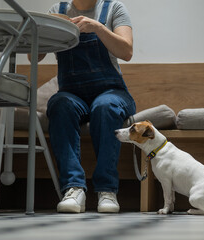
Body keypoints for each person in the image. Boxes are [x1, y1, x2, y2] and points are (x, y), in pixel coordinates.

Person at [34, 0, 136, 213]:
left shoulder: (113, 8)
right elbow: (34, 55)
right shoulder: (56, 12)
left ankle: (107, 190)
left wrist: (98, 27)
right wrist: (43, 32)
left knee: (105, 107)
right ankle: (73, 188)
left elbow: (126, 51)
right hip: (72, 93)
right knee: (59, 104)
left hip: (111, 91)